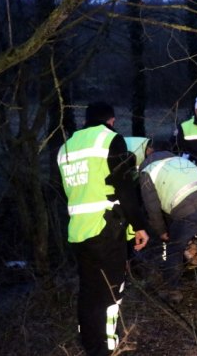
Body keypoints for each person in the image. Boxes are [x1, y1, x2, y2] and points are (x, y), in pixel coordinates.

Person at [57, 102, 149, 356]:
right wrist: (139, 225)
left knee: (89, 291)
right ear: (111, 120)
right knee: (111, 292)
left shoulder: (66, 148)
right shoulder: (111, 140)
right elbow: (124, 187)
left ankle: (90, 344)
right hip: (106, 229)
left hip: (78, 230)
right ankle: (108, 348)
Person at [139, 138, 197, 297]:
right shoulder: (180, 160)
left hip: (188, 209)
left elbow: (152, 209)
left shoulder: (148, 171)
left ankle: (173, 290)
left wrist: (161, 231)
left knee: (174, 249)